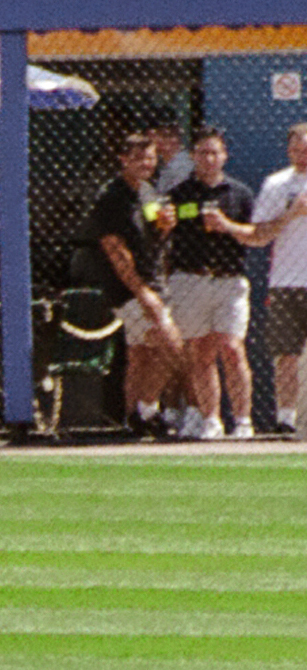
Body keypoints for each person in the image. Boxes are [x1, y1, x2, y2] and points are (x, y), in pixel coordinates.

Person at [76, 131, 186, 439]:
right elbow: (115, 249)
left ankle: (131, 421)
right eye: (138, 158)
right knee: (172, 345)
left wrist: (166, 227)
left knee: (142, 355)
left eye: (150, 158)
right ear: (123, 159)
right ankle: (147, 410)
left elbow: (152, 242)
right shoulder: (112, 197)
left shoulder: (149, 192)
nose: (145, 164)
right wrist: (142, 292)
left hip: (154, 282)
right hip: (131, 289)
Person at [164, 127, 256, 440]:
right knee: (201, 352)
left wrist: (227, 226)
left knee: (232, 348)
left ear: (225, 156)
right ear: (193, 156)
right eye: (203, 152)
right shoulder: (180, 194)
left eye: (215, 152)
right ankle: (211, 418)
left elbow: (254, 234)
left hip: (229, 280)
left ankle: (243, 420)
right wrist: (162, 221)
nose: (209, 158)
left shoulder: (239, 193)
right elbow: (159, 224)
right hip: (191, 279)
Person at [226, 122, 307, 435]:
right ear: (288, 151)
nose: (303, 156)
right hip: (286, 282)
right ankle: (286, 418)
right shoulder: (276, 185)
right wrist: (290, 215)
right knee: (286, 354)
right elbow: (258, 235)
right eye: (297, 150)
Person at [150, 120, 194, 194]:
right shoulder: (160, 163)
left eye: (168, 136)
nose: (164, 140)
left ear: (178, 139)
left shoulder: (184, 164)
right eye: (159, 135)